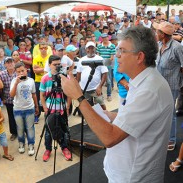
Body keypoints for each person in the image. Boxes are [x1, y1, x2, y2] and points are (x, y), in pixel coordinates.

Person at [60, 26, 174, 182]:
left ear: (139, 57)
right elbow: (139, 119)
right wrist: (112, 115)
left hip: (134, 177)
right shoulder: (142, 80)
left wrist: (79, 98)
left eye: (122, 51)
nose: (117, 55)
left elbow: (110, 137)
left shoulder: (149, 90)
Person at [154, 21, 183, 151]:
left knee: (169, 113)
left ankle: (171, 139)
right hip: (158, 85)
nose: (156, 33)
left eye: (157, 31)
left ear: (163, 34)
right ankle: (162, 136)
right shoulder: (159, 44)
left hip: (171, 86)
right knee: (159, 111)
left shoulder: (177, 47)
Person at [40, 55, 72, 162]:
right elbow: (42, 94)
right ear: (49, 65)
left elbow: (69, 94)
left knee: (64, 129)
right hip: (50, 110)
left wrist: (67, 107)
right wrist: (44, 107)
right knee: (48, 131)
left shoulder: (64, 77)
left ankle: (65, 148)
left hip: (62, 109)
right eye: (55, 65)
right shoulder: (45, 78)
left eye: (59, 64)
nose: (57, 67)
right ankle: (48, 149)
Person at [10, 62, 39, 156]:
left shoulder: (31, 80)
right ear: (15, 72)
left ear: (26, 70)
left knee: (30, 127)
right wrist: (16, 84)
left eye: (22, 71)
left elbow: (34, 94)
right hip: (18, 109)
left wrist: (36, 106)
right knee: (20, 128)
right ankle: (21, 143)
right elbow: (11, 95)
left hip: (29, 108)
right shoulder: (14, 80)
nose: (21, 73)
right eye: (18, 72)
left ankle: (31, 144)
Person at [76, 41, 108, 110]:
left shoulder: (100, 59)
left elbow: (105, 73)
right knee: (88, 107)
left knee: (101, 105)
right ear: (86, 49)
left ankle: (105, 119)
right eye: (89, 48)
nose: (90, 50)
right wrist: (77, 86)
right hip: (84, 88)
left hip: (96, 89)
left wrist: (100, 87)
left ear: (95, 49)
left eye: (92, 48)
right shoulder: (81, 60)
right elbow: (78, 74)